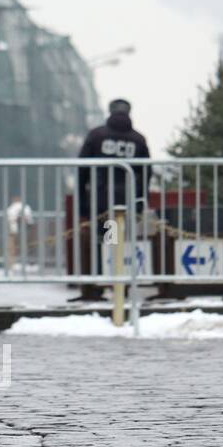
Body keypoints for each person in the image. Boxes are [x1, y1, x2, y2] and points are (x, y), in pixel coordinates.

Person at [74, 98, 151, 300]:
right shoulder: (138, 139)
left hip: (100, 199)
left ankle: (97, 285)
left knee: (98, 242)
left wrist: (82, 201)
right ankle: (119, 284)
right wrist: (140, 201)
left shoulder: (97, 135)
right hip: (127, 199)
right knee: (119, 241)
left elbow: (82, 170)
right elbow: (146, 172)